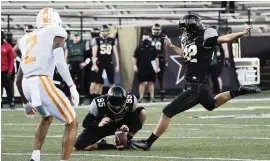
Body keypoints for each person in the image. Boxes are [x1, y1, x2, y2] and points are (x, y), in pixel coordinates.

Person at [131, 14, 261, 150]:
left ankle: (148, 143)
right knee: (212, 104)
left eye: (185, 29)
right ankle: (239, 91)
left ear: (190, 28)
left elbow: (224, 38)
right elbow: (186, 54)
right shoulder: (193, 41)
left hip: (195, 86)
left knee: (166, 112)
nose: (183, 32)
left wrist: (241, 33)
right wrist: (172, 46)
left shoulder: (205, 38)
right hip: (201, 85)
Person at [15, 8, 79, 161]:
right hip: (42, 81)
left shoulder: (26, 38)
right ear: (55, 21)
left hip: (26, 84)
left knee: (46, 117)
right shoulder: (56, 32)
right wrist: (72, 86)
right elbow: (59, 62)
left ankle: (35, 157)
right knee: (72, 123)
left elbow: (18, 77)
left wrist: (25, 103)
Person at [74, 86, 147, 150]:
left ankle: (127, 141)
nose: (118, 109)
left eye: (120, 106)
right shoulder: (99, 104)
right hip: (103, 127)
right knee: (78, 145)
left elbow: (137, 124)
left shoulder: (130, 101)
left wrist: (128, 128)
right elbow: (85, 123)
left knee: (142, 112)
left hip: (121, 124)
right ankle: (107, 145)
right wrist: (99, 123)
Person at [133, 33, 160, 103]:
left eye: (147, 39)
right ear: (142, 39)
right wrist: (134, 65)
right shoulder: (139, 47)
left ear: (149, 39)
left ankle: (152, 97)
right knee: (141, 83)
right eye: (144, 39)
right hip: (141, 67)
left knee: (150, 82)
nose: (146, 40)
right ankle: (141, 97)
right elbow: (134, 57)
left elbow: (156, 58)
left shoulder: (152, 47)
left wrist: (157, 66)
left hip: (151, 67)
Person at [91, 24, 120, 91]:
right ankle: (94, 95)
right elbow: (94, 54)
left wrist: (117, 65)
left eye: (106, 31)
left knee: (111, 81)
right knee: (97, 81)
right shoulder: (96, 40)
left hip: (109, 61)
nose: (105, 32)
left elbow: (116, 53)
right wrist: (94, 64)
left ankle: (113, 95)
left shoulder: (112, 40)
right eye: (104, 31)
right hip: (99, 61)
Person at [80, 27, 101, 102]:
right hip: (94, 62)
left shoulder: (91, 42)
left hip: (97, 62)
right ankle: (92, 98)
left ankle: (96, 97)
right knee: (94, 81)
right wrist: (87, 62)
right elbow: (88, 55)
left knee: (98, 81)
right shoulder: (91, 42)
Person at [67, 31, 86, 105]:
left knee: (81, 82)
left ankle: (81, 99)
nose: (76, 37)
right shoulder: (69, 43)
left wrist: (85, 63)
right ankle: (71, 98)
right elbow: (66, 53)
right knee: (70, 82)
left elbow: (88, 54)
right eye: (75, 36)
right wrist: (66, 63)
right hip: (71, 62)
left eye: (77, 36)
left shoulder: (83, 43)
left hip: (80, 63)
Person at [151, 23, 168, 101]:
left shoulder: (163, 37)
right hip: (151, 59)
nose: (156, 31)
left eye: (157, 29)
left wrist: (166, 60)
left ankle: (162, 95)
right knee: (150, 78)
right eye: (155, 29)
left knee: (160, 78)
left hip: (160, 59)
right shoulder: (149, 37)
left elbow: (165, 50)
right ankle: (150, 95)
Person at [1, 31, 15, 109]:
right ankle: (1, 101)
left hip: (5, 71)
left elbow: (11, 60)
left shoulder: (8, 46)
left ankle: (11, 102)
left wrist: (10, 71)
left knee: (8, 88)